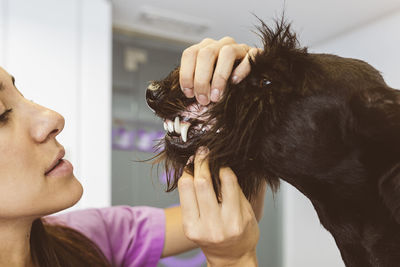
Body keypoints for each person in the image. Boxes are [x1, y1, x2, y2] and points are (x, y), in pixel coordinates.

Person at [0, 37, 264, 267]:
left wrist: (246, 99)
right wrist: (232, 261)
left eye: (22, 95)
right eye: (2, 114)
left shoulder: (89, 237)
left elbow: (233, 216)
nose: (53, 118)